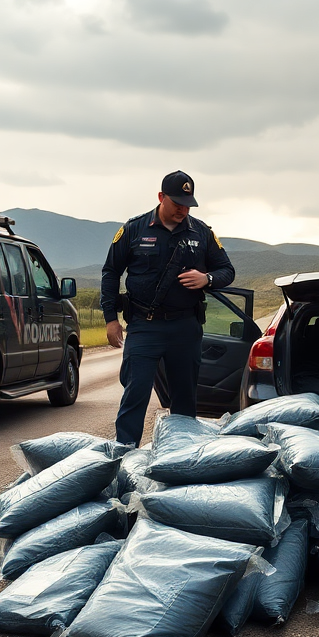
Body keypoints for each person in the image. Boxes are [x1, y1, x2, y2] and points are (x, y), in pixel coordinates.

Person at [101, 171, 235, 446]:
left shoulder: (201, 232)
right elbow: (111, 272)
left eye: (187, 204)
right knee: (135, 393)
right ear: (161, 198)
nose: (183, 210)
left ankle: (181, 458)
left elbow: (227, 270)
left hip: (184, 327)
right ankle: (124, 454)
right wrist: (110, 319)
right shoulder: (134, 229)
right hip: (144, 325)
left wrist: (206, 279)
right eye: (177, 203)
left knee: (185, 398)